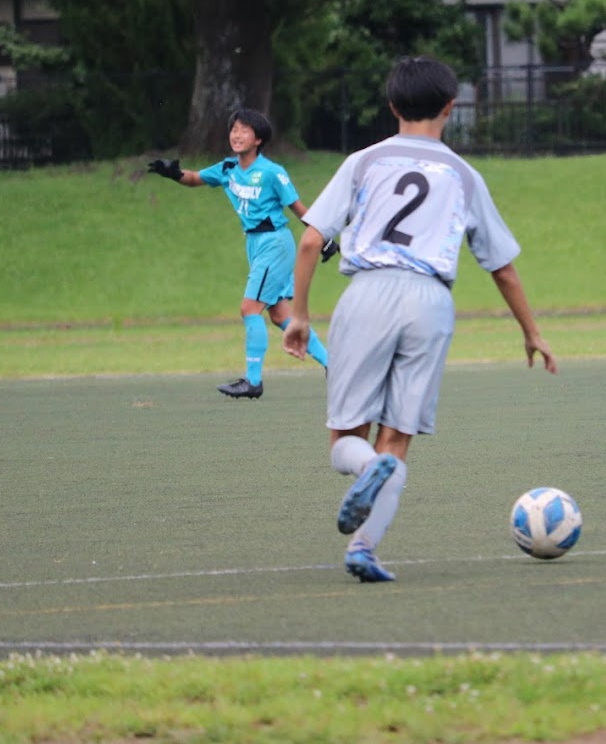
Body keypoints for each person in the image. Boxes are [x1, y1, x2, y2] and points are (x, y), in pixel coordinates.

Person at [282, 55, 557, 583]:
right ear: (451, 107)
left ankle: (367, 468)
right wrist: (532, 333)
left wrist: (299, 316)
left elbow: (312, 240)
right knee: (397, 437)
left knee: (346, 440)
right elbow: (501, 268)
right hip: (431, 302)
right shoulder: (464, 175)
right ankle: (364, 548)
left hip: (368, 292)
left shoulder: (363, 161)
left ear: (392, 105)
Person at [148, 107, 329, 399]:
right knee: (279, 313)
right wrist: (173, 173)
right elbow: (194, 178)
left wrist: (324, 237)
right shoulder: (228, 168)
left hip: (274, 243)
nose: (237, 134)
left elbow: (298, 209)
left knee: (249, 308)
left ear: (258, 139)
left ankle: (253, 381)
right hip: (255, 244)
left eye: (245, 130)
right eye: (234, 129)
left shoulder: (272, 172)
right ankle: (333, 365)